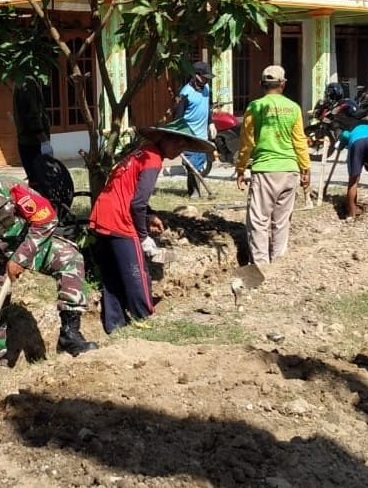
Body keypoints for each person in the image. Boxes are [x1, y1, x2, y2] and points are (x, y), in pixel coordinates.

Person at [0, 169, 98, 366]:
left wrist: (20, 258)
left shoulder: (12, 188)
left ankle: (70, 335)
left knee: (69, 259)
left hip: (25, 245)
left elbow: (46, 219)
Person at [88, 118, 215, 334]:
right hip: (120, 220)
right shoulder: (153, 159)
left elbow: (132, 194)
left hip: (102, 214)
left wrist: (150, 214)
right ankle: (145, 318)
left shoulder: (142, 151)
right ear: (164, 139)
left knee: (112, 275)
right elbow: (137, 204)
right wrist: (144, 236)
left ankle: (114, 324)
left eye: (183, 145)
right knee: (137, 271)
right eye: (177, 143)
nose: (179, 149)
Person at [233, 65, 311, 266]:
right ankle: (278, 265)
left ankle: (260, 265)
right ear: (283, 84)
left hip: (265, 170)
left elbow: (247, 142)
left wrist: (241, 168)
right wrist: (305, 168)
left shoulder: (255, 107)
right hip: (290, 170)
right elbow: (299, 141)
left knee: (258, 220)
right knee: (281, 221)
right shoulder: (293, 108)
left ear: (261, 84)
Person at [174, 61, 215, 198]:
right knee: (192, 166)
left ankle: (195, 191)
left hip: (202, 136)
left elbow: (207, 107)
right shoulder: (185, 93)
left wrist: (211, 123)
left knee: (198, 164)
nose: (207, 80)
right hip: (189, 137)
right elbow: (178, 118)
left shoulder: (207, 88)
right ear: (196, 75)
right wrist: (179, 138)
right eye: (205, 77)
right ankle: (195, 192)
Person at [13, 76, 53, 192]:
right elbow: (32, 114)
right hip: (33, 142)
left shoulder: (22, 81)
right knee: (40, 182)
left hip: (27, 141)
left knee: (35, 181)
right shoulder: (28, 82)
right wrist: (43, 139)